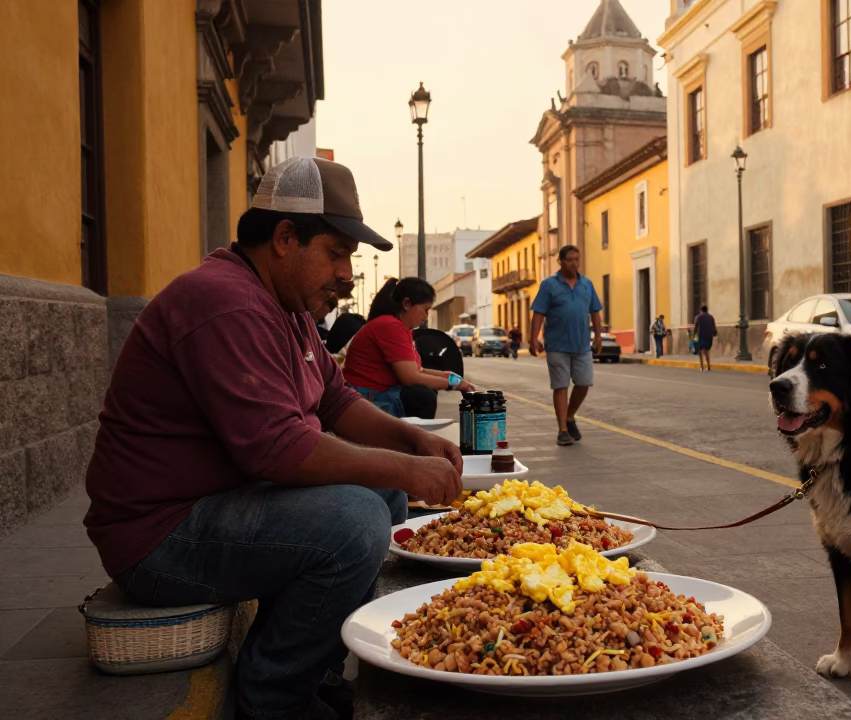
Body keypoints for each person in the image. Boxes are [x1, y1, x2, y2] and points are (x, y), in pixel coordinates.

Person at [83, 157, 464, 720]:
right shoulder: (224, 301)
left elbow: (335, 402)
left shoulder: (288, 306)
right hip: (158, 538)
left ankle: (319, 669)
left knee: (380, 499)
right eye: (336, 253)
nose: (346, 273)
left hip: (220, 507)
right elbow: (277, 448)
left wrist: (411, 442)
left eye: (349, 259)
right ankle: (275, 697)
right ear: (285, 238)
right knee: (356, 521)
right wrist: (406, 469)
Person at [342, 277, 476, 419]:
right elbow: (410, 377)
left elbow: (419, 370)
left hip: (379, 395)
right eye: (425, 309)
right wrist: (454, 384)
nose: (425, 316)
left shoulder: (400, 328)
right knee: (423, 396)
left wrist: (451, 377)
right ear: (407, 304)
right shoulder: (389, 326)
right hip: (370, 399)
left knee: (426, 391)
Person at [529, 245, 603, 446]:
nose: (574, 263)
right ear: (560, 261)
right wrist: (533, 337)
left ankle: (570, 416)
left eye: (577, 259)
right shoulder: (549, 285)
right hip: (557, 345)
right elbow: (538, 313)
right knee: (560, 385)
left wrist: (598, 336)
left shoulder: (587, 284)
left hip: (581, 345)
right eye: (570, 260)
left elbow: (595, 312)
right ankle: (562, 430)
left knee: (584, 383)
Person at [693, 305, 717, 372]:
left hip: (701, 336)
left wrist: (694, 335)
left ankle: (702, 366)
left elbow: (695, 327)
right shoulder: (711, 317)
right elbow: (714, 326)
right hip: (709, 336)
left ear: (701, 310)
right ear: (707, 310)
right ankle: (708, 366)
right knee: (706, 351)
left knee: (701, 351)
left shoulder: (698, 317)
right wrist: (714, 333)